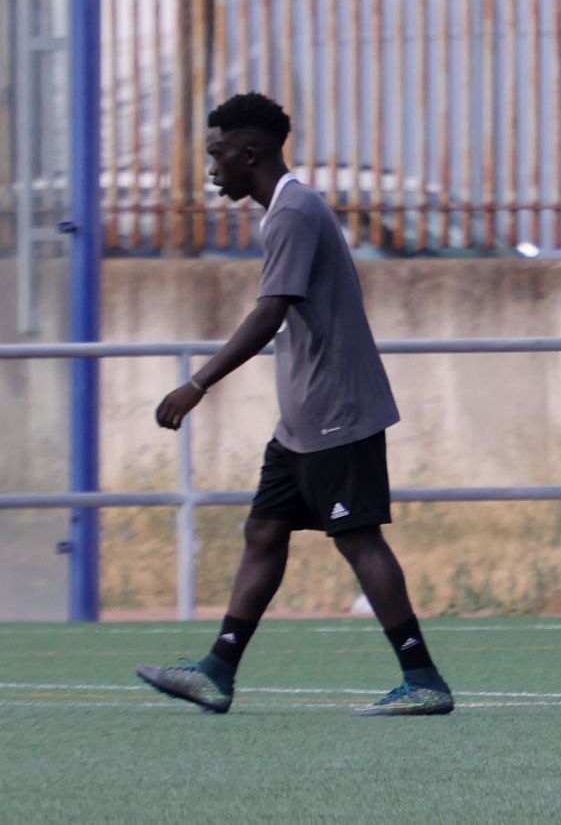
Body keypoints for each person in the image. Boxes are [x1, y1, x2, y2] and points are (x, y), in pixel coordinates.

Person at [135, 93, 453, 716]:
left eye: (217, 154)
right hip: (304, 417)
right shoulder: (284, 210)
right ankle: (217, 671)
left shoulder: (292, 213)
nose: (211, 168)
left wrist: (196, 384)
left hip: (336, 409)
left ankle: (423, 678)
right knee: (264, 530)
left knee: (357, 538)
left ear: (247, 152)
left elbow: (268, 312)